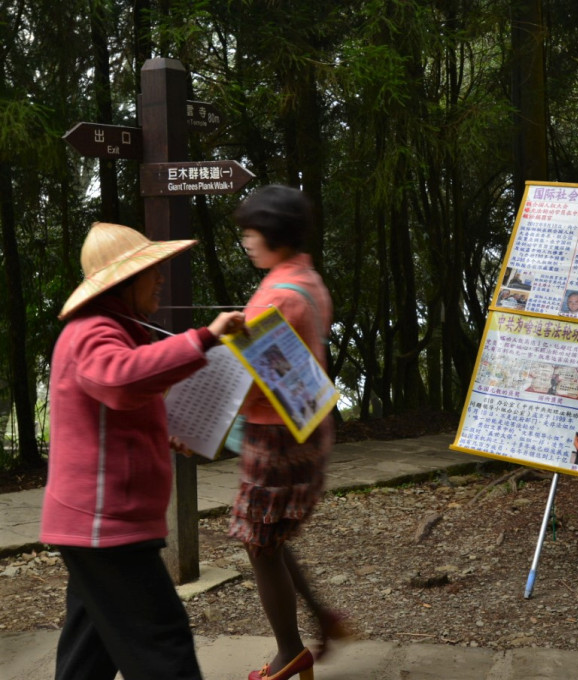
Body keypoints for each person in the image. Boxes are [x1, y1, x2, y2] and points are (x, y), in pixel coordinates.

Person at [40, 222, 247, 680]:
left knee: (88, 655)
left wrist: (160, 433)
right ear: (124, 280)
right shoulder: (93, 331)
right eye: (151, 272)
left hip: (101, 525)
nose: (160, 280)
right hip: (106, 526)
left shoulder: (116, 329)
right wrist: (204, 337)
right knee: (162, 647)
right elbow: (119, 378)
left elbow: (122, 404)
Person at [229, 186, 349, 680]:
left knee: (260, 542)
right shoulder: (307, 279)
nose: (245, 241)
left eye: (251, 232)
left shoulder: (276, 297)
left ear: (273, 232)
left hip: (274, 437)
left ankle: (289, 652)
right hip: (308, 427)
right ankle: (322, 619)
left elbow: (251, 383)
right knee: (271, 538)